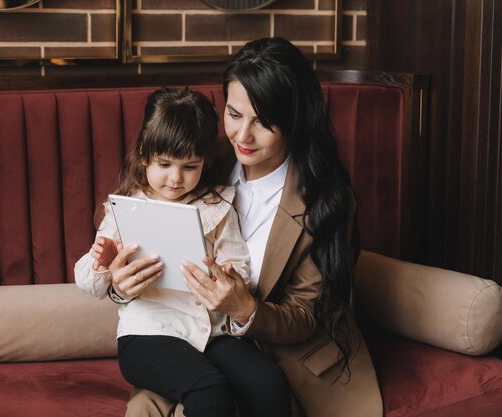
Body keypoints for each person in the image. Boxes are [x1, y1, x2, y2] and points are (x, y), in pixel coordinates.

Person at [120, 38, 383, 417]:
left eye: (262, 121)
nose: (242, 136)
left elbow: (305, 317)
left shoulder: (326, 199)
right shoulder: (203, 160)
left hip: (283, 353)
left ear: (294, 119)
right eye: (234, 114)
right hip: (191, 337)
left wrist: (245, 308)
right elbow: (131, 207)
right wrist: (118, 279)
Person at [74, 87, 292, 417]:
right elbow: (87, 280)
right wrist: (104, 266)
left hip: (213, 333)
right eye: (164, 164)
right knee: (210, 392)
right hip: (148, 336)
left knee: (269, 382)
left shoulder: (218, 206)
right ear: (145, 155)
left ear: (205, 162)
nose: (175, 179)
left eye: (190, 167)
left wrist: (224, 280)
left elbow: (240, 268)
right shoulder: (126, 208)